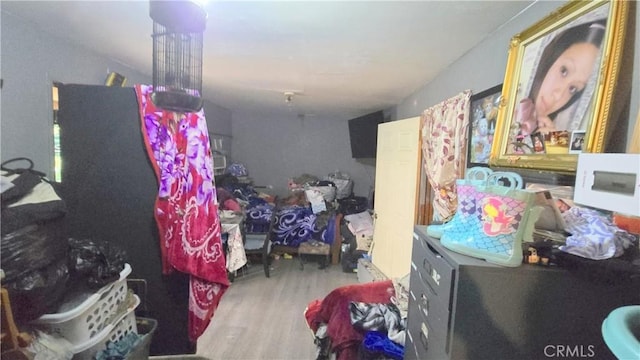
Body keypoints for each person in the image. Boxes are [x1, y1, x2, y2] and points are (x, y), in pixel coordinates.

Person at [515, 19, 607, 136]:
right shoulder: (511, 101)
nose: (558, 96)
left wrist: (555, 144)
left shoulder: (555, 130)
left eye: (572, 88)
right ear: (552, 56)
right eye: (564, 71)